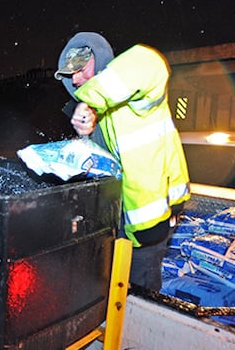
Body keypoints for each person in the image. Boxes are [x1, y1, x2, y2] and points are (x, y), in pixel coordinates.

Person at [55, 32, 191, 291]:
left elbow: (149, 62)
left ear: (101, 57)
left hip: (151, 226)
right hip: (116, 227)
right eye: (69, 75)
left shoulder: (136, 96)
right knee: (113, 298)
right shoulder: (87, 115)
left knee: (140, 303)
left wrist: (90, 103)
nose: (76, 79)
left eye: (81, 68)